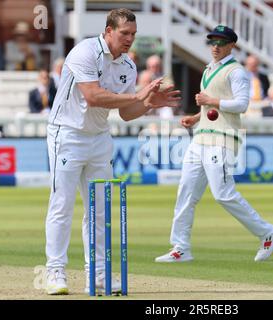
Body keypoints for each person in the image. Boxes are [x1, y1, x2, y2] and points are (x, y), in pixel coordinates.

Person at [44, 8, 180, 295]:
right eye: (124, 33)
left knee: (100, 210)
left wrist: (149, 103)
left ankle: (99, 276)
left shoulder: (128, 67)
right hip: (66, 134)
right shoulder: (85, 52)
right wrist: (138, 95)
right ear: (108, 31)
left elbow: (128, 113)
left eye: (133, 34)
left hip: (99, 138)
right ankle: (55, 272)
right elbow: (93, 97)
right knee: (62, 204)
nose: (129, 39)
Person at [155, 25, 273, 264]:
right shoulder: (208, 69)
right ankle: (180, 247)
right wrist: (196, 117)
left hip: (222, 138)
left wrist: (210, 100)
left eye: (221, 43)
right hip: (201, 136)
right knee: (186, 192)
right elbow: (211, 108)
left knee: (223, 194)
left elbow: (242, 104)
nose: (215, 47)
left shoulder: (236, 71)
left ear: (231, 45)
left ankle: (267, 232)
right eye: (212, 42)